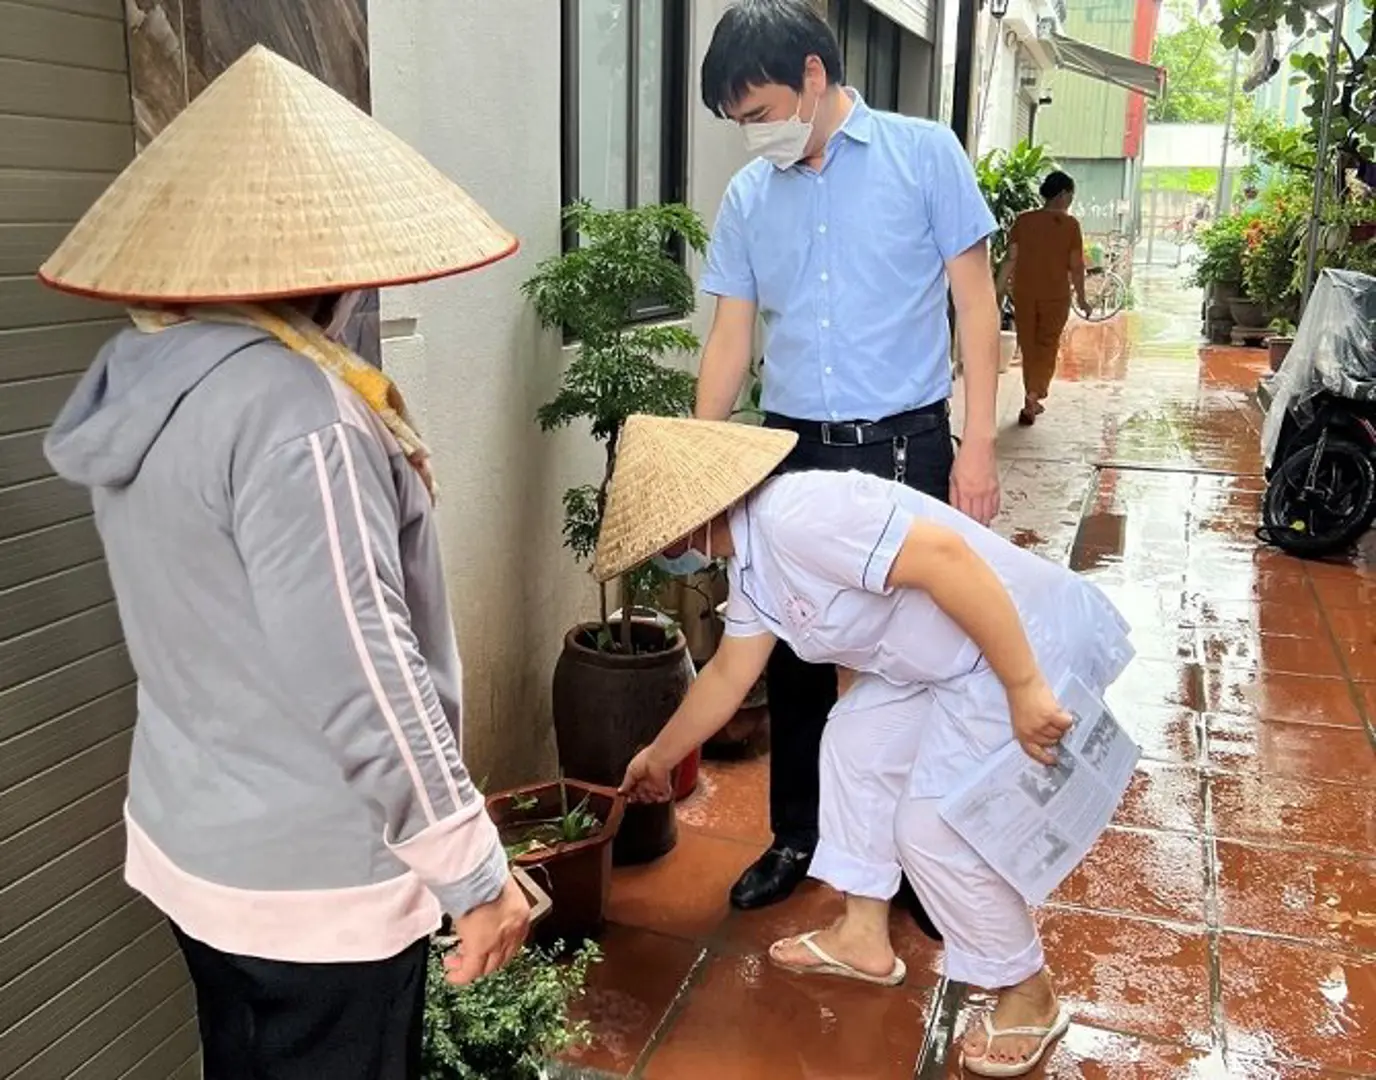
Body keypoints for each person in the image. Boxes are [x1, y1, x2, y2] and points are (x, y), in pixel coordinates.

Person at [39, 47, 529, 1079]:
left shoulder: (145, 378)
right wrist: (475, 875)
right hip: (317, 890)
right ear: (333, 261)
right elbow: (368, 675)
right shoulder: (300, 417)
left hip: (199, 849)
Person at [601, 415, 1134, 1078]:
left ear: (684, 524)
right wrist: (656, 754)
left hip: (1015, 646)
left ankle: (1028, 989)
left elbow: (948, 561)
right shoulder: (754, 565)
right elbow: (729, 676)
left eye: (658, 538)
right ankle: (862, 936)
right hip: (943, 663)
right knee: (854, 739)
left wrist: (1024, 686)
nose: (662, 553)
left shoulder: (798, 516)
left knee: (933, 829)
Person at [694, 0, 1004, 924]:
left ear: (815, 77)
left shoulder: (924, 155)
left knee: (914, 655)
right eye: (737, 122)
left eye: (758, 113)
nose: (752, 137)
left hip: (907, 440)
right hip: (793, 446)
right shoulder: (751, 198)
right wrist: (701, 467)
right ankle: (798, 835)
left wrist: (978, 444)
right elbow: (728, 339)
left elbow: (977, 308)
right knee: (795, 650)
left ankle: (911, 855)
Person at [996, 171, 1089, 427]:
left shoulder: (1023, 221)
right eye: (1071, 194)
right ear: (1062, 194)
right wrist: (1082, 298)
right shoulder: (1070, 226)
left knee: (1029, 346)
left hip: (1025, 294)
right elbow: (1076, 266)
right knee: (1047, 346)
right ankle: (1033, 396)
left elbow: (1011, 257)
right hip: (1055, 296)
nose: (1071, 200)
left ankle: (1031, 396)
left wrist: (998, 291)